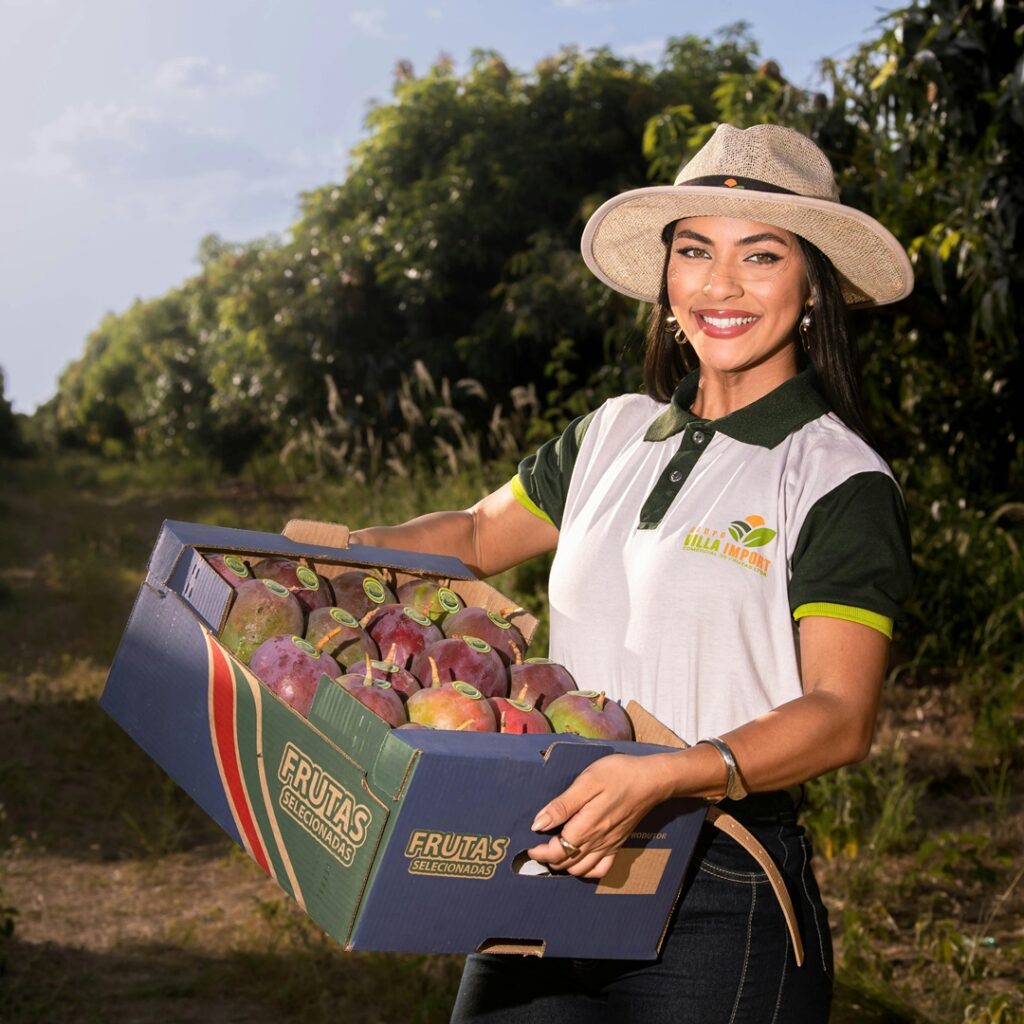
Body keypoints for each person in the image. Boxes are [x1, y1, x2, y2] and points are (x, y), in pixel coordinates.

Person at [350, 123, 914, 1022]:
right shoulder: (611, 433)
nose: (719, 285)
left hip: (718, 885)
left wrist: (666, 774)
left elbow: (840, 717)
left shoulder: (836, 478)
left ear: (811, 287)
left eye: (759, 256)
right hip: (546, 857)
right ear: (666, 279)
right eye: (694, 251)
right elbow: (468, 535)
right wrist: (325, 554)